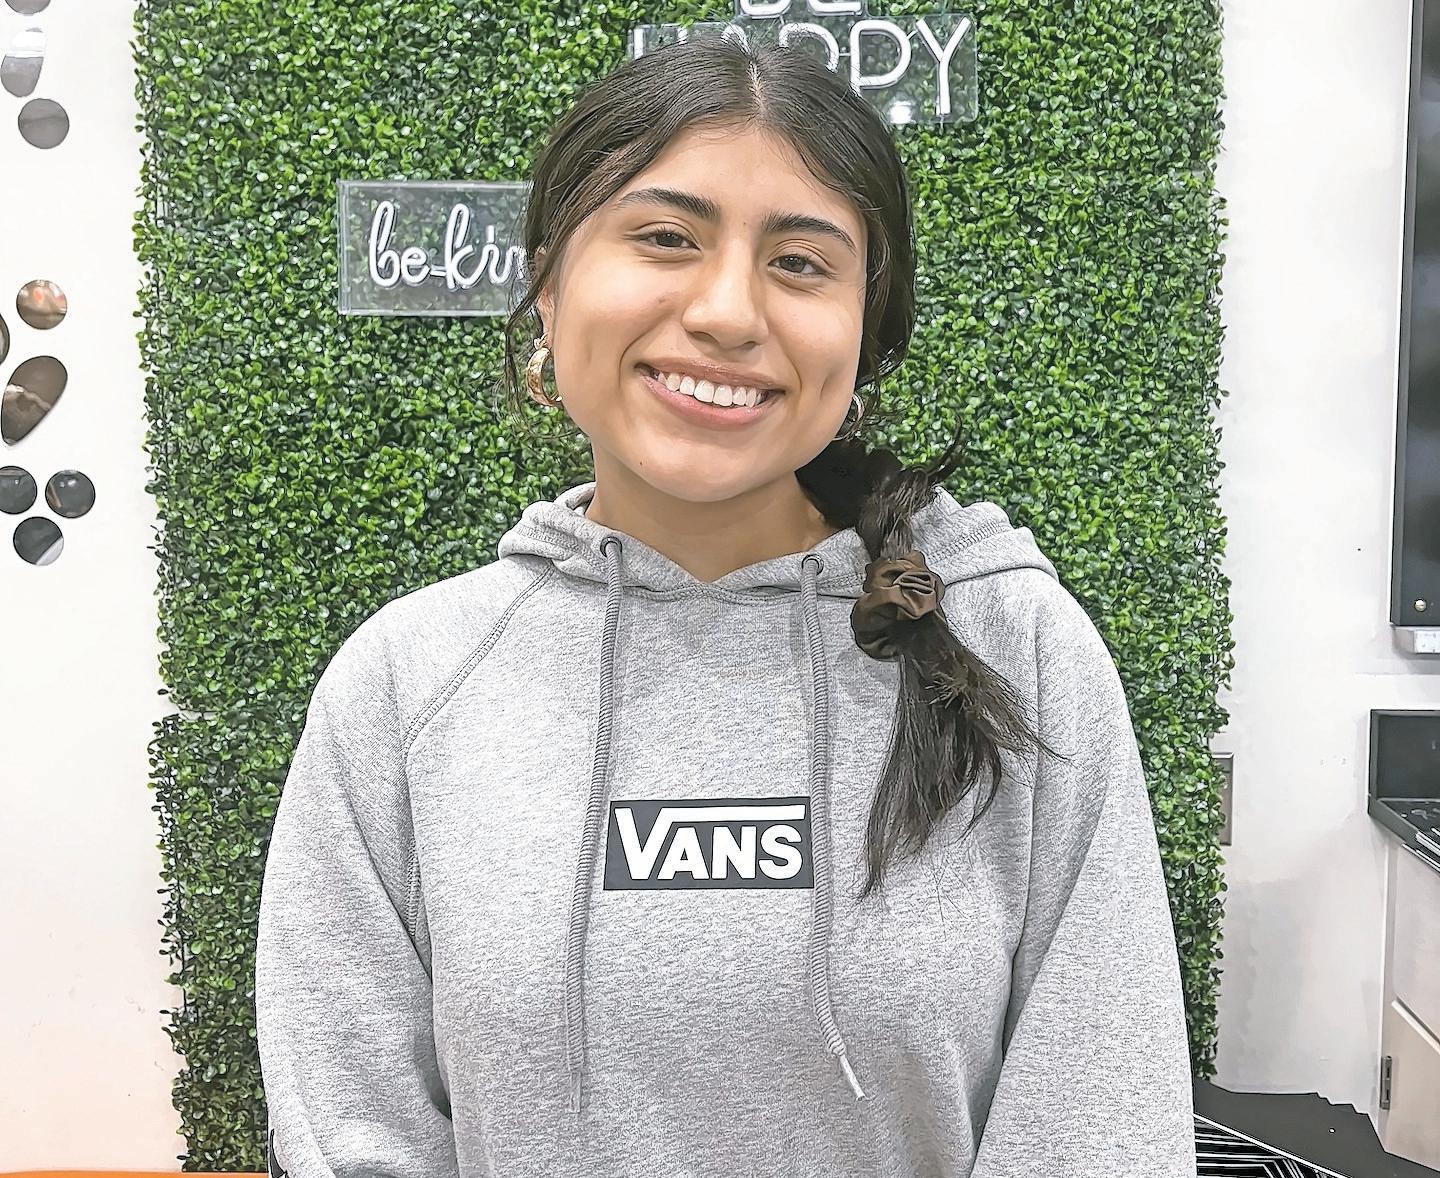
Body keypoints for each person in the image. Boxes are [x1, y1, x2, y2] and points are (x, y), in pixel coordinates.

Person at [254, 33, 1197, 1178]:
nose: (728, 311)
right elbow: (355, 1135)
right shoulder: (405, 684)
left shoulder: (1016, 647)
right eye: (665, 237)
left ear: (864, 335)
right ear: (548, 287)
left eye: (800, 262)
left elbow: (1101, 1124)